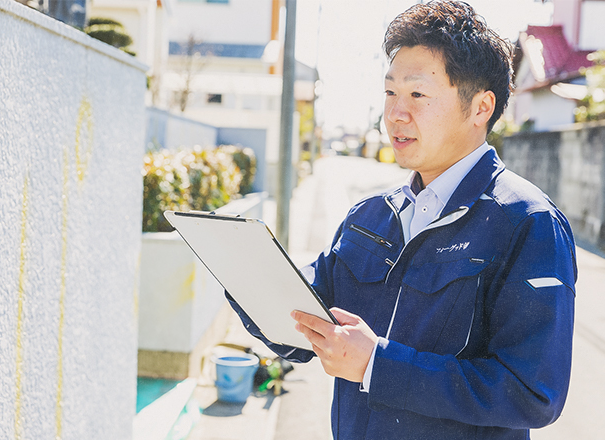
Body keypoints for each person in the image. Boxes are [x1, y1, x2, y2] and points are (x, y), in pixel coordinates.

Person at [227, 1, 577, 438]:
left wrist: (378, 365)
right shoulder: (369, 216)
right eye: (390, 92)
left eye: (417, 94)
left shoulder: (527, 222)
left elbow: (531, 392)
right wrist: (243, 276)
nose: (395, 113)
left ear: (481, 108)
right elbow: (304, 322)